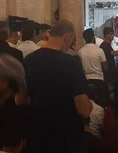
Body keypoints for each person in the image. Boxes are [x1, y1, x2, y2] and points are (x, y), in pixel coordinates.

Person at [24, 20, 92, 153]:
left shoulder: (29, 60)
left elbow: (21, 99)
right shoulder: (70, 64)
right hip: (65, 139)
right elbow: (83, 109)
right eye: (72, 42)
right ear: (67, 37)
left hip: (37, 136)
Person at [79, 28, 109, 107]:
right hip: (99, 80)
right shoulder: (99, 50)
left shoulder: (80, 51)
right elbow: (105, 68)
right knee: (101, 105)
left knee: (88, 105)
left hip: (86, 81)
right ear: (93, 37)